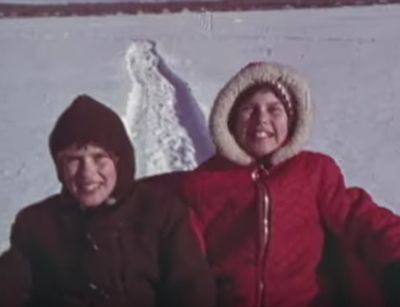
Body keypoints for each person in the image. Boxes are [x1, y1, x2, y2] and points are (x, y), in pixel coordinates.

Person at [181, 62, 400, 307]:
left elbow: (359, 217)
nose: (261, 118)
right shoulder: (204, 181)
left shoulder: (315, 171)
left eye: (274, 110)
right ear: (231, 120)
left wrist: (394, 256)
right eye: (249, 109)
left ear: (292, 121)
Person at [0, 94, 215, 307]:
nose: (87, 173)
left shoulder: (161, 213)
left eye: (99, 157)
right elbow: (12, 283)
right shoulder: (36, 224)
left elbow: (193, 291)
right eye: (74, 160)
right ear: (60, 166)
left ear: (120, 162)